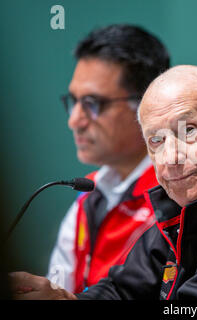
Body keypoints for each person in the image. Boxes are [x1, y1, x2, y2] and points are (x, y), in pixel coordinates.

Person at [10, 65, 197, 300]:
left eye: (189, 130)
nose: (171, 158)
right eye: (156, 140)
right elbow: (122, 290)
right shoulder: (179, 212)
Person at [47, 24, 169, 293]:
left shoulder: (181, 198)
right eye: (74, 101)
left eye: (92, 103)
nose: (74, 120)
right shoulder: (86, 197)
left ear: (147, 105)